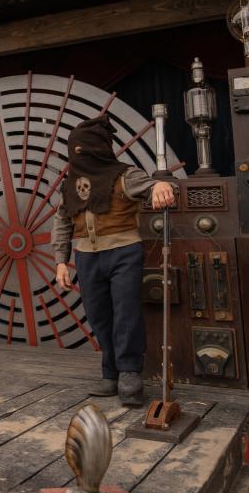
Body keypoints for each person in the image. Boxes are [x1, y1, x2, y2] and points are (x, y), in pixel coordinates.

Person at [51, 115, 175, 406]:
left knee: (126, 313)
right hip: (86, 257)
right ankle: (110, 373)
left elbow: (150, 186)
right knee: (99, 315)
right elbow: (62, 222)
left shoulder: (124, 175)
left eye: (81, 149)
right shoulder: (70, 185)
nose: (76, 156)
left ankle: (130, 372)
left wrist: (159, 187)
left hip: (123, 254)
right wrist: (60, 261)